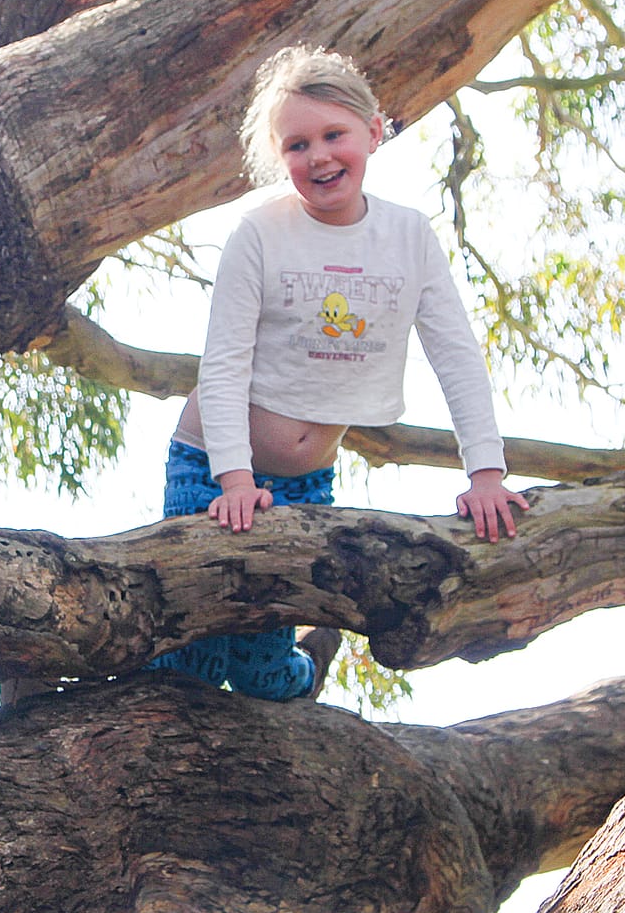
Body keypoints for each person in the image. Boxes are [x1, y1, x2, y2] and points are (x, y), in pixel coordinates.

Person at [154, 46, 529, 702]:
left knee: (262, 674)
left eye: (334, 135)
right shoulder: (260, 233)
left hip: (306, 484)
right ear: (280, 157)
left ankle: (305, 669)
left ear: (374, 131)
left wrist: (486, 475)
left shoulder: (408, 238)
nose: (319, 156)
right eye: (298, 144)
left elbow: (456, 355)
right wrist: (234, 480)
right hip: (212, 465)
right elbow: (223, 363)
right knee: (189, 662)